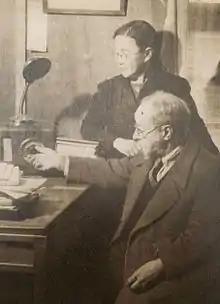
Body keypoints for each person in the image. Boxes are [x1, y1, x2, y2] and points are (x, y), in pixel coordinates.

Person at [29, 91, 220, 303]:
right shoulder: (151, 156)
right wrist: (59, 161)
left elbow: (201, 237)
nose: (135, 137)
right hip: (134, 256)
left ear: (166, 132)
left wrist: (161, 265)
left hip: (173, 271)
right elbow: (111, 169)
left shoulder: (208, 170)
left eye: (140, 130)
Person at [81, 20, 218, 158]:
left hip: (156, 168)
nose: (119, 60)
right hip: (116, 164)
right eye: (117, 54)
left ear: (147, 54)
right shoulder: (108, 89)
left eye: (125, 54)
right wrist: (116, 141)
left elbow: (197, 130)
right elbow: (87, 128)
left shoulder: (175, 87)